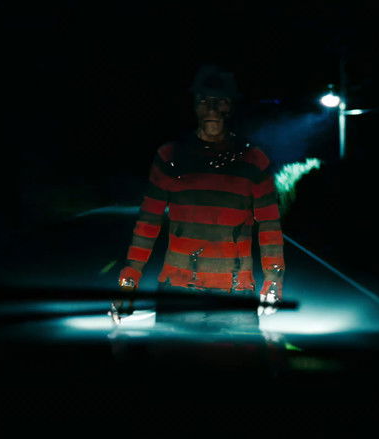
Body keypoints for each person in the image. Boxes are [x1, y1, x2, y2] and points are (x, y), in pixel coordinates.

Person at [113, 64, 285, 325]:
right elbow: (148, 223)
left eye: (221, 101)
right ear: (194, 106)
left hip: (236, 293)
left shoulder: (254, 161)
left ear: (232, 107)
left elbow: (270, 227)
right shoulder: (170, 157)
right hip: (178, 290)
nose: (212, 109)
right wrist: (128, 283)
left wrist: (273, 283)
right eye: (204, 100)